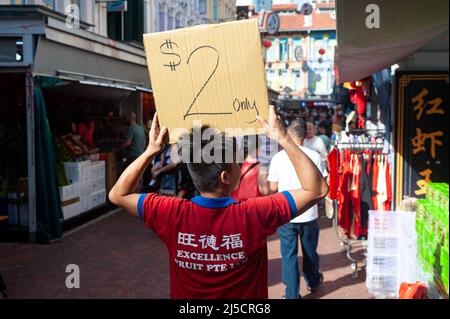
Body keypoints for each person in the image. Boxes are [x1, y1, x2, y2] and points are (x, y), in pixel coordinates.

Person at [108, 106, 328, 299]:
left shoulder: (171, 212)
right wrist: (283, 138)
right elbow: (317, 189)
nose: (239, 165)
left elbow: (118, 195)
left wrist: (150, 152)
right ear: (226, 177)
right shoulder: (254, 213)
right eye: (235, 162)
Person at [268, 120, 328, 299]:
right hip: (309, 213)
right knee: (310, 252)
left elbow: (272, 187)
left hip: (286, 213)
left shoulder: (279, 157)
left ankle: (292, 294)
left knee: (289, 256)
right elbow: (323, 184)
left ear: (289, 134)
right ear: (305, 135)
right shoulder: (314, 155)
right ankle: (313, 281)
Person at [231, 135, 270, 201]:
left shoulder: (235, 165)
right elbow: (264, 191)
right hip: (252, 205)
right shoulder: (261, 168)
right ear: (257, 150)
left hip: (235, 204)